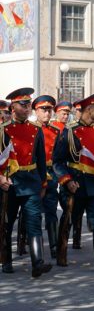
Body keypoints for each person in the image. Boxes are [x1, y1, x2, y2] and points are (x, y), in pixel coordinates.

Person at [53, 93, 94, 271]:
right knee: (68, 219)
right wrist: (66, 181)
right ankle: (61, 253)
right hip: (75, 183)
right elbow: (57, 161)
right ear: (89, 109)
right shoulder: (70, 132)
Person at [0, 88, 52, 277]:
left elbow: (40, 158)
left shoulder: (35, 130)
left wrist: (43, 183)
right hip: (10, 182)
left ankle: (37, 263)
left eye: (29, 104)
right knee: (7, 222)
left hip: (31, 182)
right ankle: (6, 259)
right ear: (13, 107)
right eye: (23, 104)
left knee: (34, 221)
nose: (27, 108)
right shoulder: (3, 129)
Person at [32, 95, 61, 260]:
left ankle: (55, 247)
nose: (47, 113)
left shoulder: (55, 131)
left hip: (51, 175)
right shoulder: (31, 128)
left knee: (51, 211)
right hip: (34, 174)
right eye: (44, 109)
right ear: (36, 110)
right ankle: (27, 243)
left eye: (49, 110)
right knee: (32, 213)